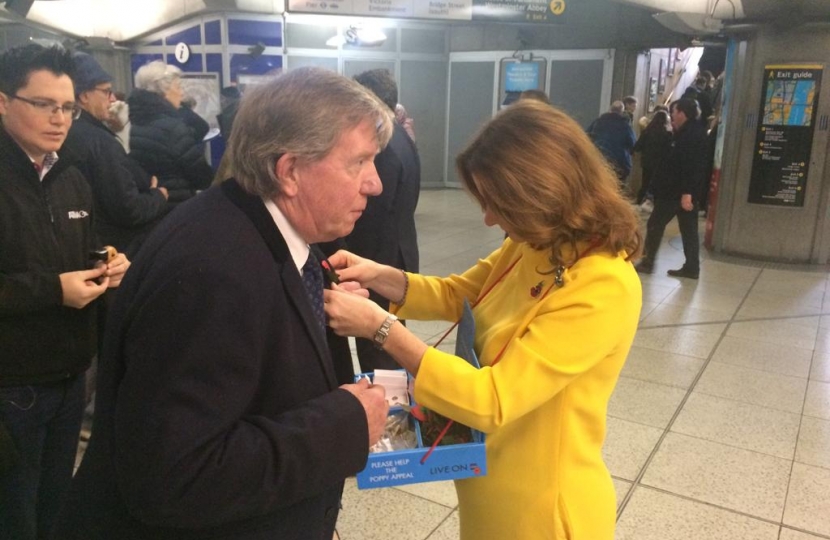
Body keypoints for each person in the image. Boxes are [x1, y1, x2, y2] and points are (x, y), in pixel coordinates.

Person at [54, 66, 391, 540]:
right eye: (358, 162)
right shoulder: (213, 270)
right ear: (290, 171)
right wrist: (344, 426)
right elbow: (174, 475)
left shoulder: (250, 224)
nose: (374, 183)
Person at [324, 100, 643, 540]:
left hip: (543, 509)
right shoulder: (537, 243)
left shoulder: (602, 285)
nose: (490, 219)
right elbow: (463, 293)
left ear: (544, 193)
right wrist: (381, 276)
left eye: (498, 204)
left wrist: (382, 328)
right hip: (490, 484)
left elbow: (493, 399)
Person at [0, 44, 130, 540]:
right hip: (13, 382)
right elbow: (43, 280)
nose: (59, 119)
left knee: (57, 509)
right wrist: (53, 291)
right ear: (4, 102)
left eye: (68, 107)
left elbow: (80, 247)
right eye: (44, 105)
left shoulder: (70, 177)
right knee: (16, 516)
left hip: (71, 374)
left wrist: (106, 262)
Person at [348, 69, 422, 372]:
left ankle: (387, 410)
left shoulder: (383, 147)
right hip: (399, 248)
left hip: (380, 254)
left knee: (378, 341)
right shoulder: (401, 134)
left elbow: (373, 213)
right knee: (390, 333)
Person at [64, 52, 169, 257]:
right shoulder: (100, 142)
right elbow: (128, 209)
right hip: (114, 250)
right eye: (106, 91)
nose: (112, 98)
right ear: (84, 95)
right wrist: (158, 196)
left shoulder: (67, 135)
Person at [635, 98, 709, 279]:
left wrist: (687, 193)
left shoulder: (691, 135)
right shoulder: (688, 132)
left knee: (655, 224)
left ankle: (648, 261)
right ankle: (692, 267)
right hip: (680, 192)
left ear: (682, 113)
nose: (672, 116)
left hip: (675, 193)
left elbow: (693, 166)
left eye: (674, 113)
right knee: (688, 230)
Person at [128, 60, 213, 203]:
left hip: (153, 200)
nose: (181, 93)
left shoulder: (138, 123)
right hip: (177, 203)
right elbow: (201, 176)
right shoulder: (173, 129)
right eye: (178, 87)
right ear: (163, 91)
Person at [587, 100, 636, 187]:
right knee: (618, 189)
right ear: (622, 111)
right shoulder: (625, 126)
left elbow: (587, 137)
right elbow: (632, 144)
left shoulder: (598, 122)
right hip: (620, 163)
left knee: (600, 187)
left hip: (600, 160)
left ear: (610, 109)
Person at [632, 109, 672, 207]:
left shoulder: (647, 131)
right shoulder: (667, 134)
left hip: (647, 161)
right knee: (658, 183)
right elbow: (670, 149)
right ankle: (656, 203)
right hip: (660, 162)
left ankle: (639, 200)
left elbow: (638, 146)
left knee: (645, 182)